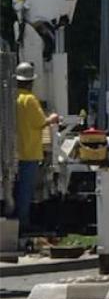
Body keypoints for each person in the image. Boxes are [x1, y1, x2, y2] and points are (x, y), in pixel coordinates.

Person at [12, 63, 59, 235]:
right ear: (31, 82)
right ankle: (23, 223)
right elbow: (40, 122)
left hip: (13, 152)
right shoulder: (30, 99)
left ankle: (13, 220)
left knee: (15, 189)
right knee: (26, 190)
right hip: (30, 151)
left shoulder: (12, 97)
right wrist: (53, 118)